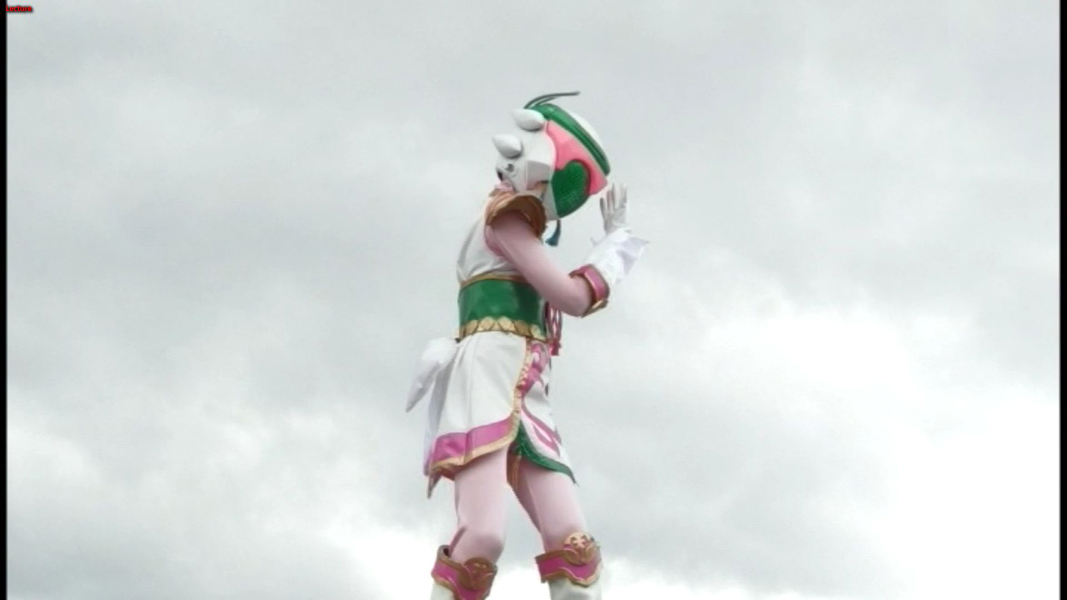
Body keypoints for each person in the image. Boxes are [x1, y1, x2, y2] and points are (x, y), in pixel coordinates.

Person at [406, 92, 647, 599]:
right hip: (488, 371)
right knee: (483, 536)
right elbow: (571, 298)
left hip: (526, 382)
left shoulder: (513, 221)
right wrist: (615, 248)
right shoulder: (505, 217)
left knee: (571, 539)